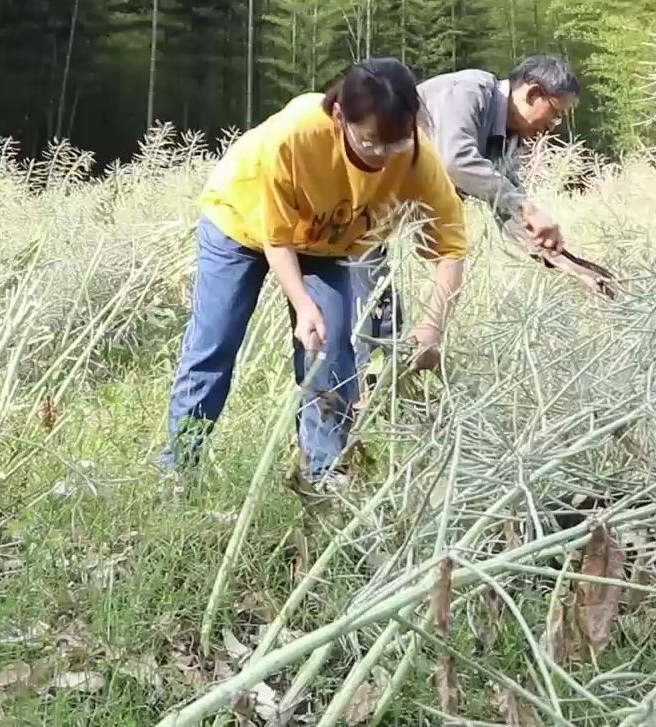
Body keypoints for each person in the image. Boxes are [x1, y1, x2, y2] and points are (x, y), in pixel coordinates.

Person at [160, 58, 470, 489]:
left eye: (393, 145)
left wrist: (432, 327)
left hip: (329, 242)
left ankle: (321, 474)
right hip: (242, 222)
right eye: (369, 143)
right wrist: (303, 306)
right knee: (216, 342)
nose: (382, 157)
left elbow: (451, 249)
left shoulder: (415, 154)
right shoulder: (296, 136)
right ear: (339, 115)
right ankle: (180, 469)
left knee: (332, 349)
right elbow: (276, 237)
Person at [353, 54, 581, 350]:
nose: (554, 124)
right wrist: (527, 207)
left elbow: (507, 205)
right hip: (359, 207)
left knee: (384, 324)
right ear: (534, 92)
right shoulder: (470, 91)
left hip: (388, 220)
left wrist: (568, 264)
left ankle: (377, 383)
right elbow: (455, 160)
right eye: (555, 112)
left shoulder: (508, 139)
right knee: (369, 316)